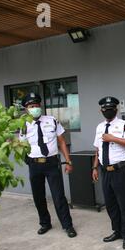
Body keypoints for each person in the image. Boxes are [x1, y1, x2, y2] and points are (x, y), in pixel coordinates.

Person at [19, 93, 77, 238]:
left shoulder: (52, 120)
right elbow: (21, 145)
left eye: (37, 105)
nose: (35, 108)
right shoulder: (23, 125)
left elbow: (62, 141)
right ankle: (45, 223)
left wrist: (68, 161)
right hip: (34, 165)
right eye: (32, 106)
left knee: (59, 196)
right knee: (38, 197)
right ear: (26, 108)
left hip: (52, 164)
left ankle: (67, 225)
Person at [92, 96, 125, 249]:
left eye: (111, 108)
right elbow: (97, 149)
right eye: (105, 109)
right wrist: (94, 167)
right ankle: (117, 231)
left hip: (120, 170)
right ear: (101, 111)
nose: (108, 111)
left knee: (124, 204)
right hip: (105, 171)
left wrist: (113, 138)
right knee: (110, 204)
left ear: (116, 109)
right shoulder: (99, 127)